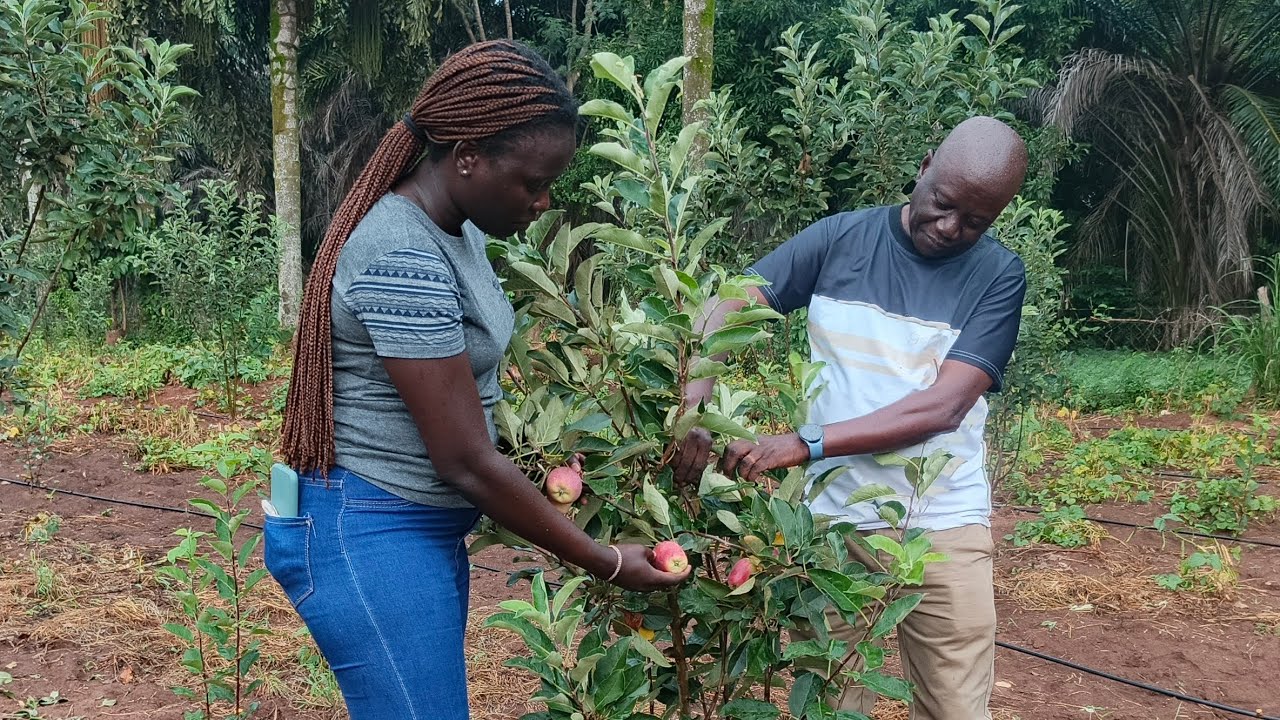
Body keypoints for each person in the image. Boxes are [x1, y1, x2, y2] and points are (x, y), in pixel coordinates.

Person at [265, 40, 689, 720]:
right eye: (531, 181)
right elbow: (463, 459)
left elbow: (462, 397)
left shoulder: (456, 231)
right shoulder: (402, 251)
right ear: (467, 156)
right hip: (371, 531)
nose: (543, 200)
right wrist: (604, 560)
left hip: (413, 529)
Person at [672, 116, 1030, 720]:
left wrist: (806, 443)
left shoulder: (997, 275)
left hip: (942, 526)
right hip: (829, 527)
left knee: (957, 709)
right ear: (923, 168)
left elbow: (944, 406)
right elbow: (727, 303)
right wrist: (693, 401)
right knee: (830, 706)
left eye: (975, 222)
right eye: (942, 205)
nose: (949, 229)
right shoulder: (841, 238)